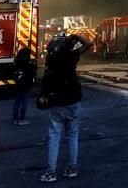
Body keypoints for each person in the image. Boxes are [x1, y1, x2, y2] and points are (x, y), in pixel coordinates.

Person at [38, 31, 93, 182]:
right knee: (73, 135)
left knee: (54, 137)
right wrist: (75, 36)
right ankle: (72, 168)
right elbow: (89, 44)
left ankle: (51, 172)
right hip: (73, 100)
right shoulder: (72, 56)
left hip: (57, 101)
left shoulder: (51, 60)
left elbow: (45, 80)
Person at [13, 47, 35, 126]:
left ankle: (15, 119)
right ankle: (22, 119)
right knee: (24, 103)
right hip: (26, 86)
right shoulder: (29, 64)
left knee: (17, 102)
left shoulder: (16, 63)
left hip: (18, 85)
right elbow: (32, 75)